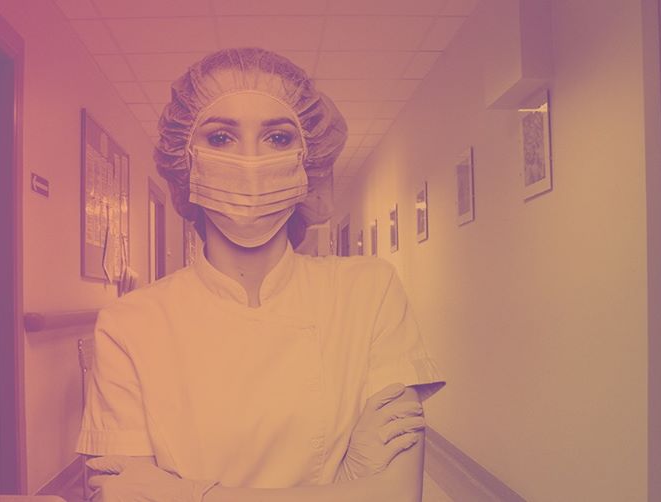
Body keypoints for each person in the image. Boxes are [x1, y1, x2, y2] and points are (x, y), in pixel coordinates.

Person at [76, 47, 446, 502]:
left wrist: (184, 494)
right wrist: (347, 486)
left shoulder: (369, 291)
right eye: (220, 138)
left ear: (307, 161)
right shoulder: (129, 324)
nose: (250, 161)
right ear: (185, 160)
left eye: (277, 138)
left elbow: (397, 495)